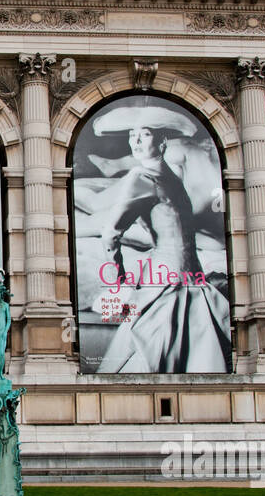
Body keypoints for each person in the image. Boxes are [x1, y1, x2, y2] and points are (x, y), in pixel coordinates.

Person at [86, 106, 230, 373]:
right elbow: (111, 234)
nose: (136, 141)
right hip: (164, 284)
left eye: (145, 134)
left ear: (162, 142)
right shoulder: (142, 177)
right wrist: (120, 281)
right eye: (132, 135)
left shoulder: (170, 177)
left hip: (188, 280)